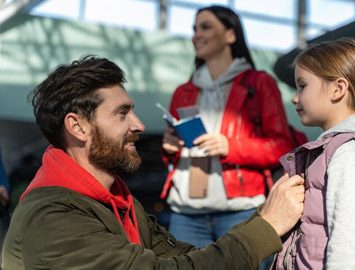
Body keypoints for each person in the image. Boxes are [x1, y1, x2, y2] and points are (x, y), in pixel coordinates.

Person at [2, 56, 305, 270]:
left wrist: (266, 220)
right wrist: (266, 226)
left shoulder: (120, 202)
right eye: (122, 114)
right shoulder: (53, 216)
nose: (139, 125)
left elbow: (193, 259)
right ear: (78, 127)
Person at [161, 5, 294, 249]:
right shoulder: (183, 92)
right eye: (194, 29)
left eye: (206, 27)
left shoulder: (260, 84)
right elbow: (173, 155)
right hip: (185, 214)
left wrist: (230, 146)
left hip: (239, 211)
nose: (196, 35)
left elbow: (282, 146)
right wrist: (170, 148)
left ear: (231, 35)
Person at [272, 38, 355, 269]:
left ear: (338, 89)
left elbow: (350, 249)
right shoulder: (335, 149)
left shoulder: (352, 153)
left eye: (302, 86)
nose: (295, 97)